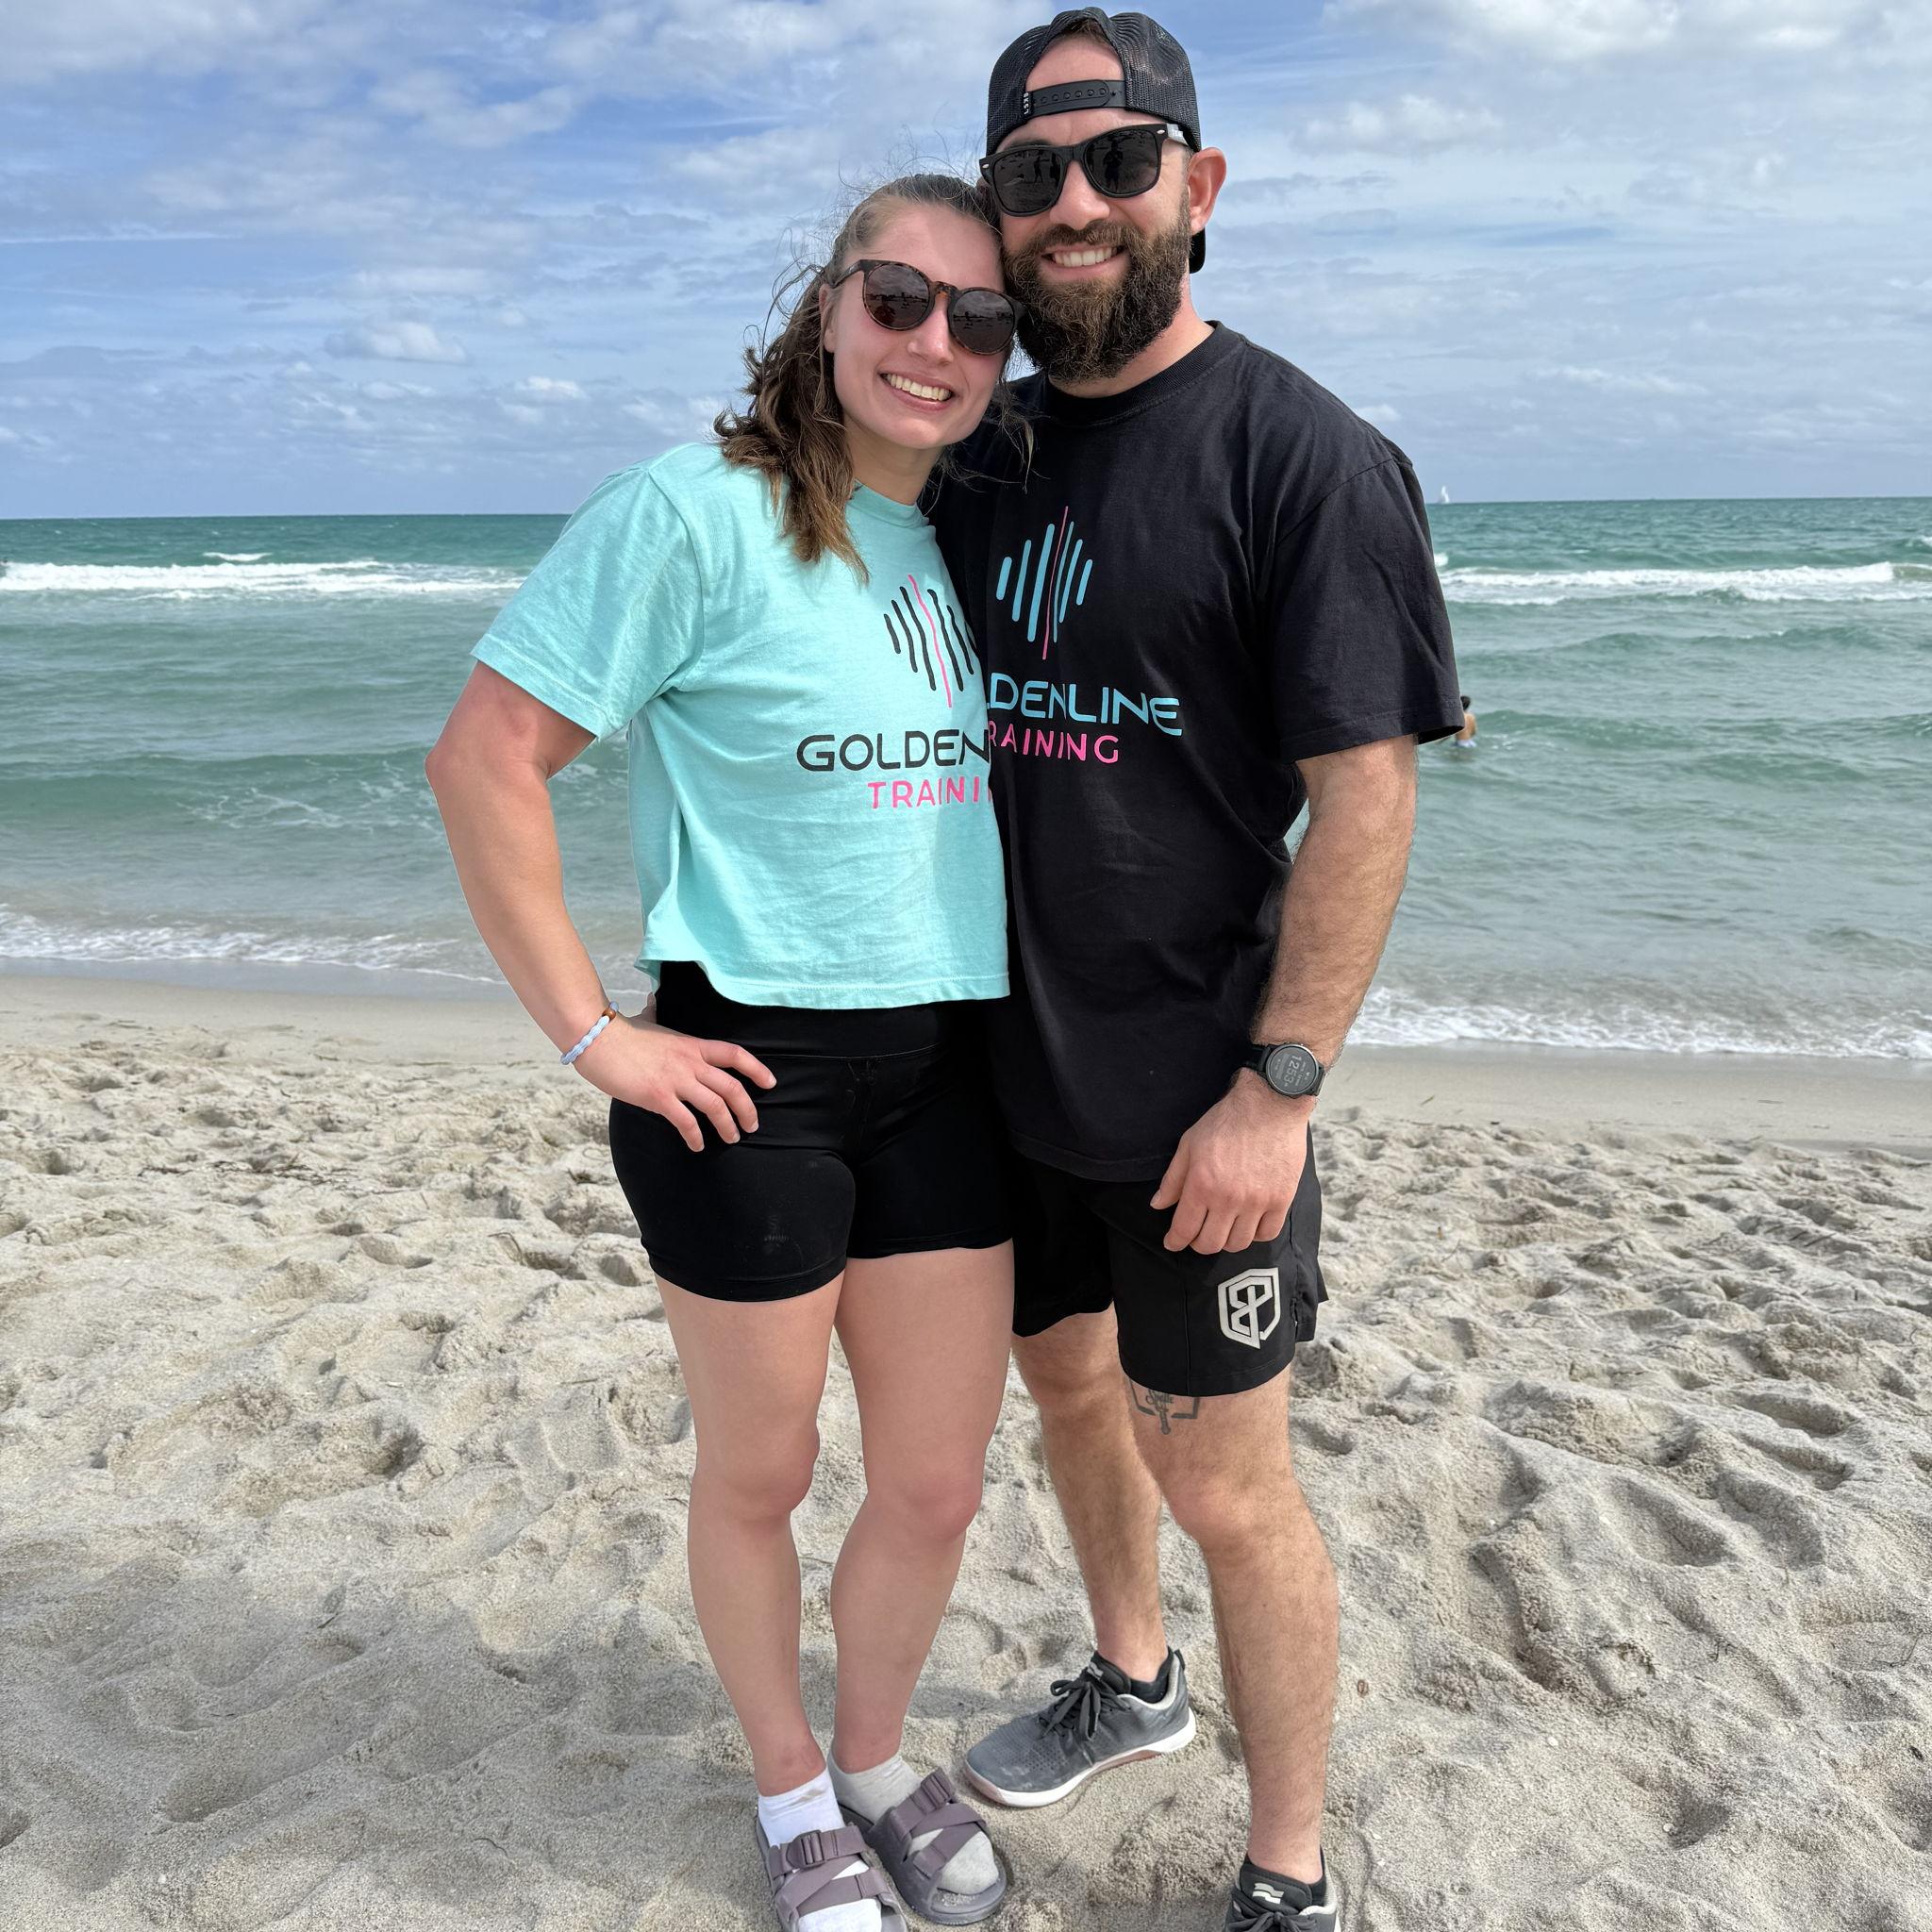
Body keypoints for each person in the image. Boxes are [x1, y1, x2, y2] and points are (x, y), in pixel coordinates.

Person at [426, 174, 1024, 1932]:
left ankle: (877, 1761)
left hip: (952, 1061)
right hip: (749, 1072)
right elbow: (486, 757)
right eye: (898, 298)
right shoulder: (692, 513)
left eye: (981, 318)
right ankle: (790, 1792)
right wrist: (594, 1035)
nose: (935, 342)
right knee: (762, 1472)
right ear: (826, 308)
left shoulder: (976, 531)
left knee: (934, 1484)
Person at [926, 12, 1464, 1930]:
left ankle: (1289, 1868)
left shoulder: (1302, 455)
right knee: (1066, 1388)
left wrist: (1278, 1088)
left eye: (1117, 160)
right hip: (999, 1073)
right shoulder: (968, 446)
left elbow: (1367, 795)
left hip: (1198, 1101)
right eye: (1031, 171)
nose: (1073, 202)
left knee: (1230, 1485)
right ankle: (1132, 1677)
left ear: (1198, 184)